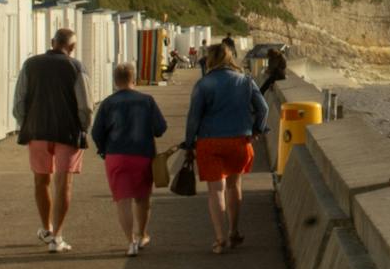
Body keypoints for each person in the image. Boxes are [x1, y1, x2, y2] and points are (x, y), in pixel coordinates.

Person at [180, 42, 270, 253]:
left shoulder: (204, 84)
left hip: (210, 142)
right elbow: (263, 108)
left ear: (211, 60)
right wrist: (258, 129)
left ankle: (220, 238)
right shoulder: (245, 81)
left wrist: (189, 142)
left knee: (216, 191)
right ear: (230, 58)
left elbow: (193, 117)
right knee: (234, 186)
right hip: (239, 141)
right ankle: (234, 231)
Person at [13, 27, 90, 252]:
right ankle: (57, 236)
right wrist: (83, 127)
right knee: (63, 183)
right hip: (67, 132)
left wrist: (25, 123)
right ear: (72, 47)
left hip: (37, 131)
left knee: (41, 180)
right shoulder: (76, 67)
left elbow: (19, 101)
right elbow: (85, 104)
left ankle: (46, 228)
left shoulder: (30, 64)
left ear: (52, 42)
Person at [90, 61, 168, 257]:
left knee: (122, 201)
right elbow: (160, 128)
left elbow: (96, 131)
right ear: (134, 79)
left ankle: (130, 242)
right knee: (142, 199)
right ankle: (142, 235)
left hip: (116, 155)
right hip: (142, 154)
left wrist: (103, 149)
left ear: (115, 81)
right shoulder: (147, 100)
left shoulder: (108, 103)